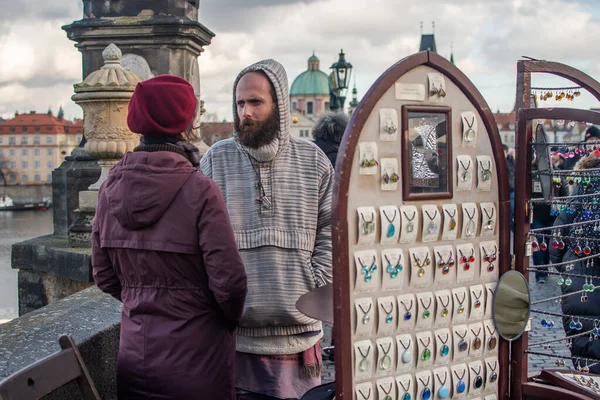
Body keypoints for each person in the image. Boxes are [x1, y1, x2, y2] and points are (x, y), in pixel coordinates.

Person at [92, 75, 248, 399]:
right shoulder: (200, 189)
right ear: (186, 121)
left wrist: (141, 298)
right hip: (198, 360)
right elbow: (230, 283)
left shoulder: (109, 188)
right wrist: (219, 321)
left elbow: (104, 276)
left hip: (135, 358)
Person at [200, 59, 334, 400]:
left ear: (280, 105)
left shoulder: (314, 160)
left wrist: (313, 285)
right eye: (240, 103)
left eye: (255, 102)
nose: (246, 112)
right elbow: (197, 240)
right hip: (238, 337)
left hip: (301, 336)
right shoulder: (216, 159)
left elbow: (332, 233)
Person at [549, 150, 600, 373]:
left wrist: (567, 268)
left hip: (577, 273)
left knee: (582, 344)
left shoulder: (578, 196)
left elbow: (558, 234)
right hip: (580, 272)